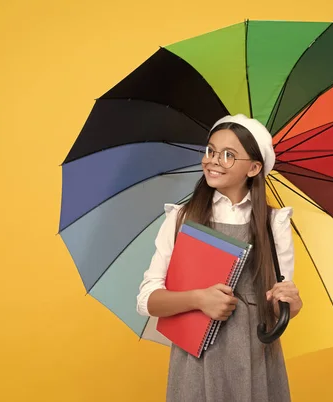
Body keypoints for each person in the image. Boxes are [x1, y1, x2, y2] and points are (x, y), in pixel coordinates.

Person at [136, 114, 303, 402]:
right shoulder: (182, 217)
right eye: (210, 151)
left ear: (254, 167)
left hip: (255, 357)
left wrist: (290, 305)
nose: (213, 160)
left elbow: (277, 308)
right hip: (196, 357)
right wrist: (199, 299)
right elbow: (146, 300)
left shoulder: (273, 223)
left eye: (228, 155)